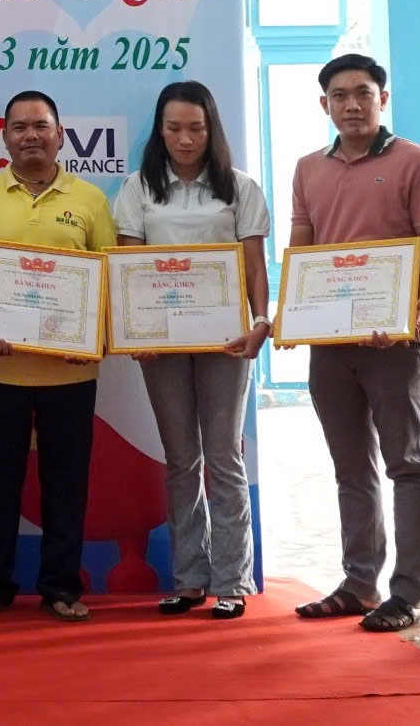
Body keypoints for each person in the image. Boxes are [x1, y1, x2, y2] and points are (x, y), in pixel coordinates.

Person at [286, 53, 420, 634]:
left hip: (393, 341)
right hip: (330, 344)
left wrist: (413, 308)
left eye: (363, 93)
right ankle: (358, 583)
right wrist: (293, 315)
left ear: (383, 98)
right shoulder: (308, 168)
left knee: (407, 464)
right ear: (323, 104)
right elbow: (302, 249)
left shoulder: (417, 162)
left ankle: (406, 593)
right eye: (339, 95)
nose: (351, 105)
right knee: (350, 467)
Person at [112, 80, 271, 621]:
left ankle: (232, 580)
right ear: (160, 130)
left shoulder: (240, 187)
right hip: (162, 345)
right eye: (175, 128)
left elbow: (254, 266)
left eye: (196, 128)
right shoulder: (138, 188)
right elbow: (129, 268)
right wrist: (136, 333)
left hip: (227, 340)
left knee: (224, 456)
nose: (185, 139)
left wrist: (261, 322)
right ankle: (189, 578)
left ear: (212, 129)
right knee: (181, 459)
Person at [0, 92, 115, 622]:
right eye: (19, 126)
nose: (30, 135)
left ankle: (62, 587)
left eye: (41, 126)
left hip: (69, 374)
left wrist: (92, 338)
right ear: (3, 137)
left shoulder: (91, 200)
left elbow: (106, 276)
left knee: (66, 486)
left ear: (60, 134)